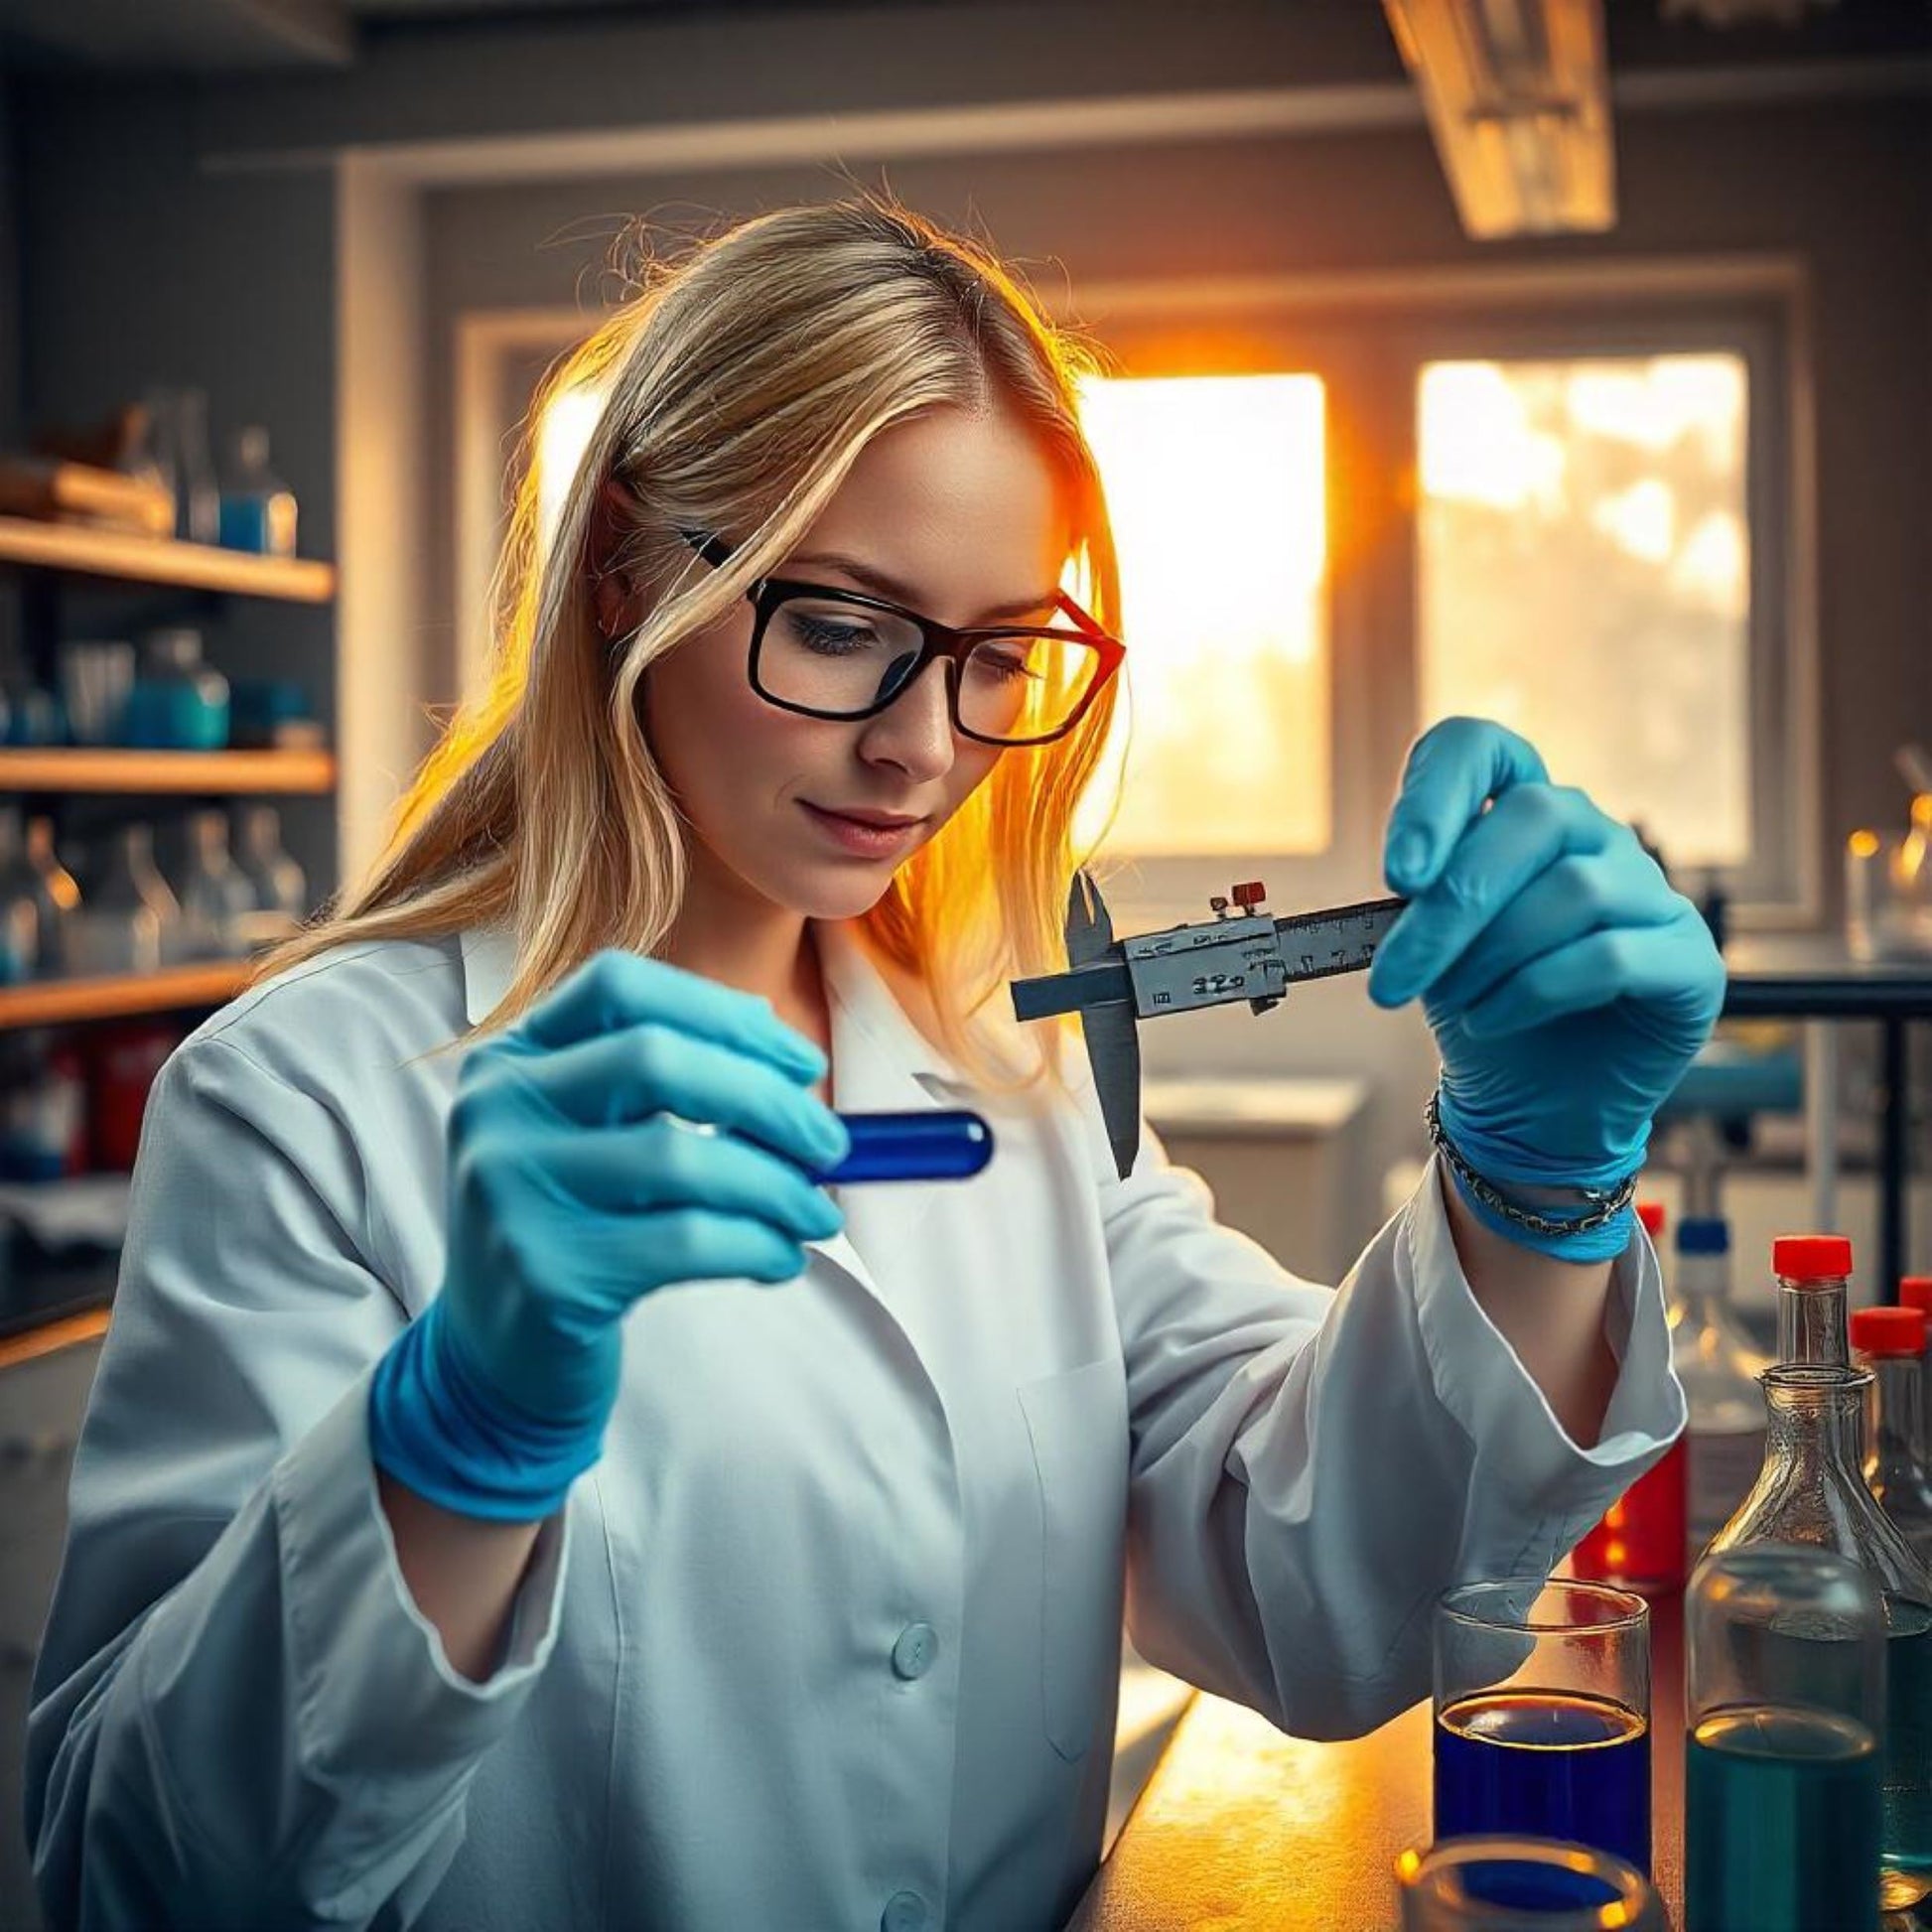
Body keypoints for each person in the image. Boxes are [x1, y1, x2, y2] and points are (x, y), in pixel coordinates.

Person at [25, 199, 1720, 1932]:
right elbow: (123, 1876)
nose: (923, 743)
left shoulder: (1015, 1074)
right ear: (622, 564)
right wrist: (452, 1439)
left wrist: (1538, 1184)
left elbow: (1311, 1585)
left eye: (999, 655)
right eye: (840, 624)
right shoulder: (308, 1101)